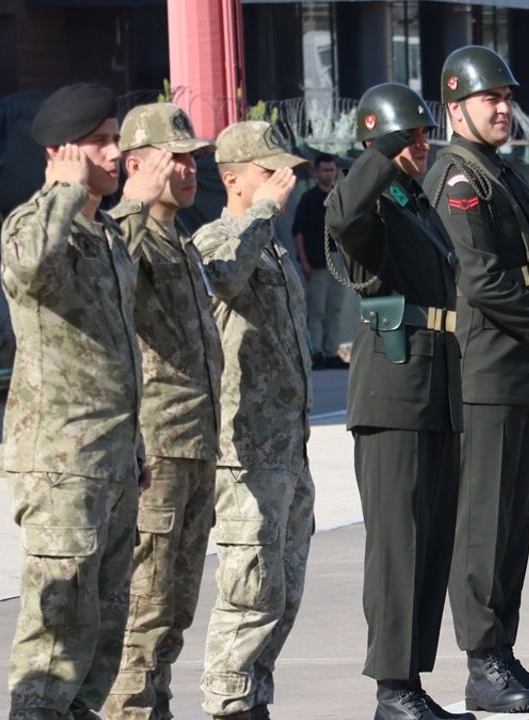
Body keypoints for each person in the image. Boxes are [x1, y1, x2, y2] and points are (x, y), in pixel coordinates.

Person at [422, 45, 529, 714]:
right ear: (454, 107)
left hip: (519, 367)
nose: (501, 107)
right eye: (487, 98)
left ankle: (504, 653)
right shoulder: (459, 178)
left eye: (506, 96)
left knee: (513, 523)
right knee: (485, 525)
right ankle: (482, 661)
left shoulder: (507, 173)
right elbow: (485, 283)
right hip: (488, 367)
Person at [1, 81, 166, 719]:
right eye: (101, 142)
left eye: (114, 139)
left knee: (105, 622)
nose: (114, 152)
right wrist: (67, 190)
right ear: (64, 152)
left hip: (113, 459)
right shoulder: (36, 224)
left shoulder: (103, 240)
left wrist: (138, 446)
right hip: (61, 462)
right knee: (58, 623)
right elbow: (30, 271)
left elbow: (119, 352)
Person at [324, 82, 469, 720]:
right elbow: (345, 220)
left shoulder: (415, 202)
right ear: (376, 143)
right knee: (397, 543)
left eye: (420, 136)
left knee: (431, 540)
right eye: (404, 138)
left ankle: (410, 679)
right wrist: (378, 157)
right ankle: (392, 687)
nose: (419, 146)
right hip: (393, 387)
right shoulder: (369, 200)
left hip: (435, 382)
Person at [103, 102, 223, 720]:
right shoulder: (127, 232)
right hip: (159, 446)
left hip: (197, 442)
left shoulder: (181, 238)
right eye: (175, 158)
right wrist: (131, 201)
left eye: (192, 158)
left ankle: (157, 708)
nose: (188, 168)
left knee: (176, 609)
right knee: (144, 608)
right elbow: (107, 272)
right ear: (137, 164)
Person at [194, 121, 313, 720]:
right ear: (233, 178)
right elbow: (220, 280)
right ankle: (229, 702)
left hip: (287, 446)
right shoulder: (219, 238)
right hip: (244, 451)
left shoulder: (267, 242)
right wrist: (261, 212)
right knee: (249, 590)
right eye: (271, 172)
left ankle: (253, 698)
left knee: (283, 592)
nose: (284, 183)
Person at [292, 153, 348, 369]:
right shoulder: (308, 199)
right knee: (316, 310)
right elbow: (298, 232)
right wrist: (304, 261)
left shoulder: (339, 197)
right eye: (324, 170)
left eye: (332, 170)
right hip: (316, 260)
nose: (328, 174)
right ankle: (315, 352)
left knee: (334, 308)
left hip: (338, 259)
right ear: (316, 172)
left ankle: (331, 351)